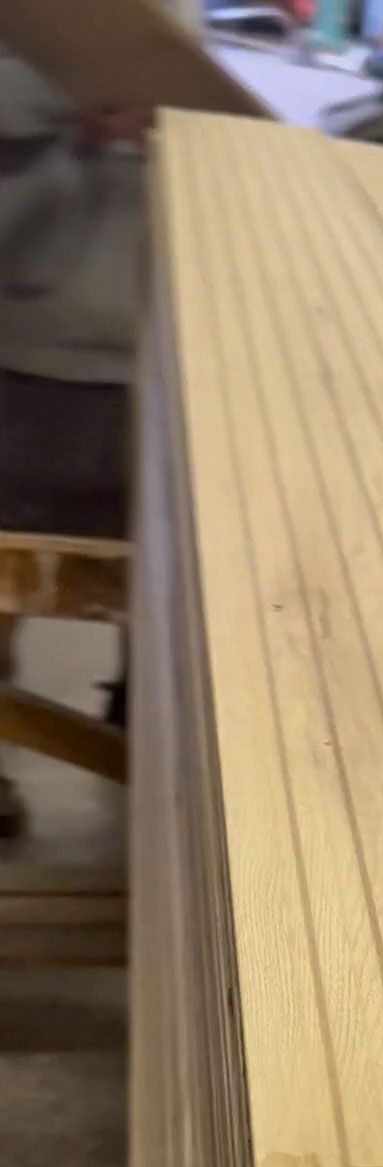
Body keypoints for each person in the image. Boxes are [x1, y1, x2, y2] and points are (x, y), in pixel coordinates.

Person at [0, 49, 148, 834]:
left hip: (157, 388)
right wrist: (70, 144)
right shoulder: (32, 71)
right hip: (22, 378)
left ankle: (149, 766)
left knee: (165, 611)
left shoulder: (182, 72)